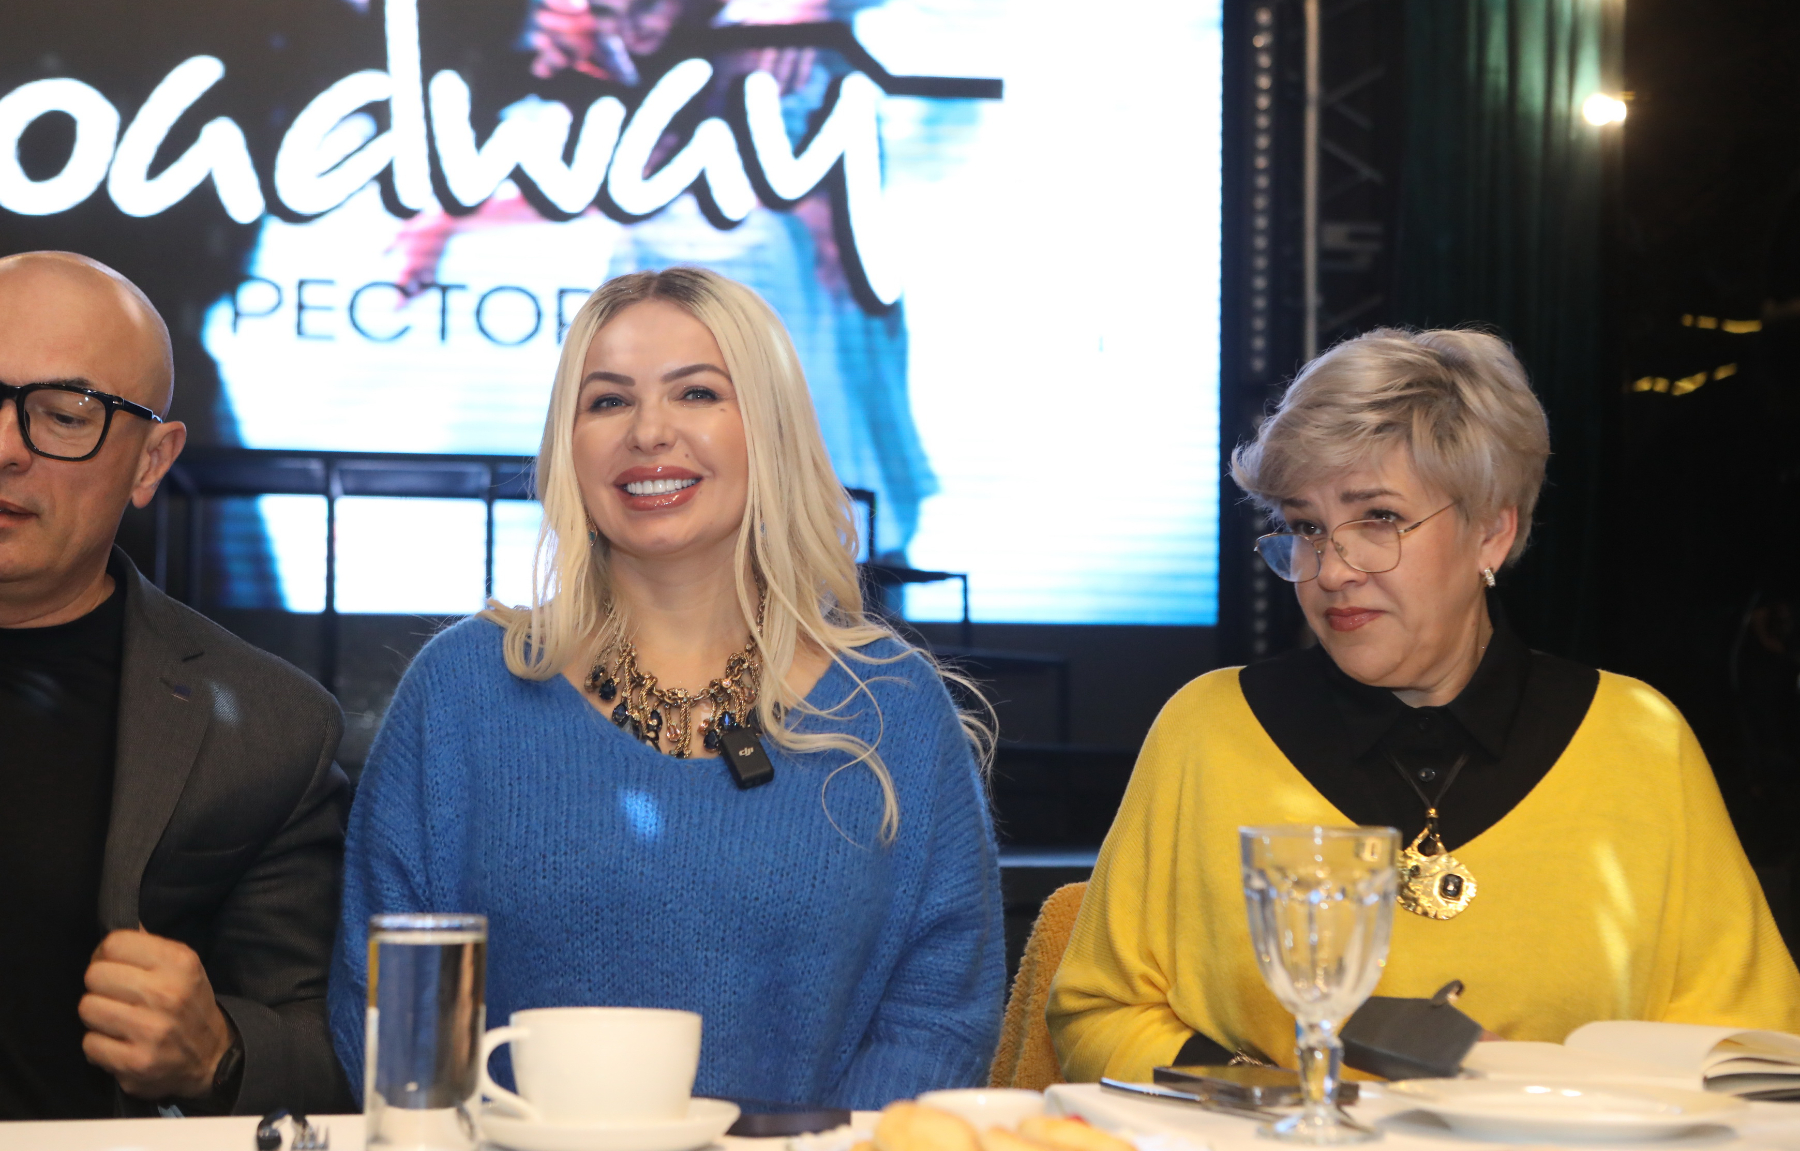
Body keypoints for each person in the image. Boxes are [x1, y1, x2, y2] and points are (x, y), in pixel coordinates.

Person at [328, 267, 1003, 1109]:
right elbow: (385, 1008)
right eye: (608, 401)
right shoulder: (461, 692)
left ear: (770, 428)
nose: (649, 432)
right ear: (566, 445)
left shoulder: (892, 705)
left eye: (697, 393)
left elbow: (938, 1017)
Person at [1047, 328, 1800, 1083]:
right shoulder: (1208, 729)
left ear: (1492, 532)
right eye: (1306, 527)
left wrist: (1543, 1099)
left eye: (1378, 517)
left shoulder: (1639, 741)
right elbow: (1098, 1014)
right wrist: (1292, 1100)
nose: (1332, 570)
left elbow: (1754, 1050)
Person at [0, 253, 353, 1118]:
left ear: (151, 462)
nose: (5, 448)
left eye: (64, 415)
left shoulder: (267, 732)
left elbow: (329, 1051)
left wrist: (218, 1052)